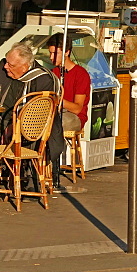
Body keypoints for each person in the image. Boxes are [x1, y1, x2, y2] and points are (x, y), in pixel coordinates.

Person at [0, 42, 59, 187]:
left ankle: (26, 179)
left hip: (30, 130)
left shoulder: (43, 79)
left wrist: (16, 126)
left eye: (11, 65)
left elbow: (39, 116)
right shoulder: (3, 68)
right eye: (6, 62)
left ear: (24, 67)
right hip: (0, 120)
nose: (6, 67)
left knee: (27, 138)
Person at [46, 34, 89, 186]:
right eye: (50, 53)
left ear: (66, 52)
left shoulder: (81, 74)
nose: (52, 57)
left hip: (74, 117)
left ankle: (52, 168)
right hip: (54, 114)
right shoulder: (52, 74)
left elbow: (77, 108)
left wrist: (59, 100)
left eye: (55, 53)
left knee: (55, 124)